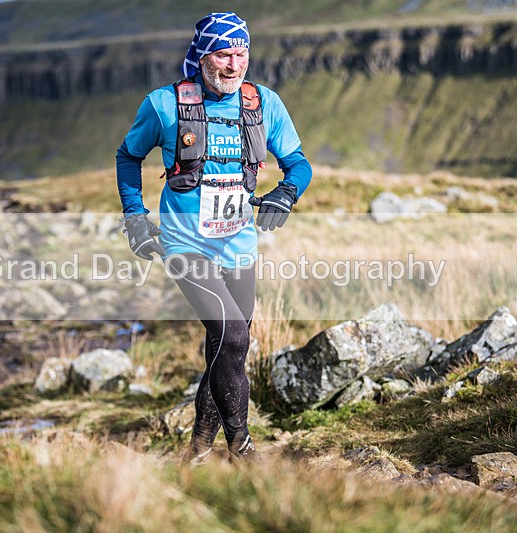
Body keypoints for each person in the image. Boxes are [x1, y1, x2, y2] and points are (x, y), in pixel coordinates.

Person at [116, 12, 312, 464]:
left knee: (226, 351)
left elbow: (299, 163)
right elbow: (128, 156)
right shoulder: (164, 105)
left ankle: (198, 450)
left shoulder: (263, 104)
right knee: (235, 336)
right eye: (224, 53)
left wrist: (286, 192)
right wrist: (135, 217)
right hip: (186, 245)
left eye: (241, 53)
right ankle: (242, 450)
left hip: (239, 245)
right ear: (202, 56)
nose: (234, 64)